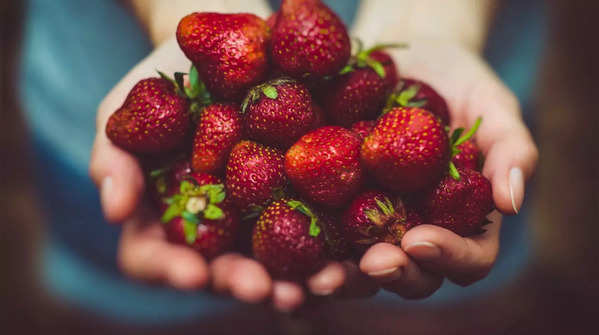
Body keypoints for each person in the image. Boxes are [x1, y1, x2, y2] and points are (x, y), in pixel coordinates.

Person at [21, 0, 539, 322]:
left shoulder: (350, 135)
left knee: (417, 296)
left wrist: (435, 16)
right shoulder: (250, 128)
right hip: (103, 50)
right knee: (147, 305)